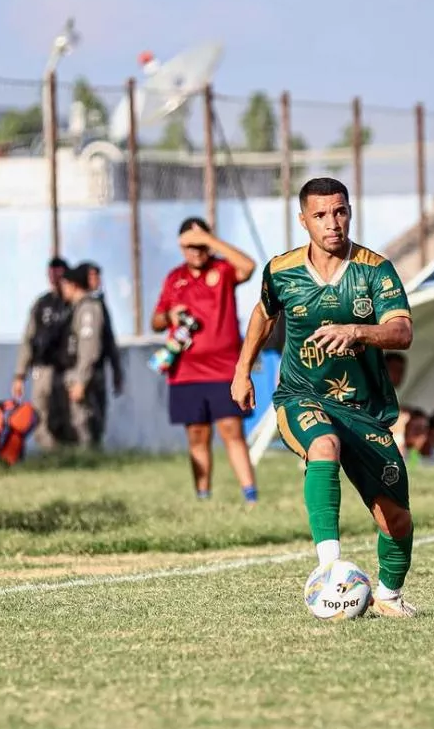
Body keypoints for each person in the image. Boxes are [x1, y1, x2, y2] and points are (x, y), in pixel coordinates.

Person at [231, 176, 417, 617]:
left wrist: (357, 330)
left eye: (340, 212)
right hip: (302, 395)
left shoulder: (375, 270)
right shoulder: (281, 270)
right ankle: (330, 570)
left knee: (397, 519)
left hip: (364, 410)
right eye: (320, 215)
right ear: (303, 220)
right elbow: (263, 312)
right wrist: (242, 371)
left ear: (349, 212)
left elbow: (402, 331)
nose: (332, 223)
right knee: (323, 445)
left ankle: (388, 595)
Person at [152, 218, 258, 503]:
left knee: (231, 430)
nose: (197, 251)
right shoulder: (174, 278)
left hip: (224, 369)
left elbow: (249, 267)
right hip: (186, 372)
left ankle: (251, 497)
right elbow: (156, 320)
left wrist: (211, 240)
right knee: (197, 435)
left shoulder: (223, 269)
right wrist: (171, 316)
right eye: (191, 245)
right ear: (182, 247)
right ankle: (203, 497)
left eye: (202, 245)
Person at [13, 257, 74, 449]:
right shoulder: (42, 304)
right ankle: (50, 455)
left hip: (68, 370)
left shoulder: (76, 304)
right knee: (41, 416)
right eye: (52, 274)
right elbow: (29, 339)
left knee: (68, 416)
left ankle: (70, 455)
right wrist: (20, 374)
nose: (55, 279)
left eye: (59, 274)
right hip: (43, 370)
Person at [60, 264, 106, 448]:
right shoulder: (75, 308)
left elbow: (89, 348)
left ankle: (90, 462)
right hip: (75, 372)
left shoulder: (88, 309)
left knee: (85, 423)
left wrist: (81, 380)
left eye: (65, 284)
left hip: (84, 375)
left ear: (74, 285)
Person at [84, 261, 124, 399]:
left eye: (97, 276)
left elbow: (108, 339)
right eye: (92, 276)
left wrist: (116, 371)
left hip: (97, 370)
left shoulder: (99, 306)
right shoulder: (75, 306)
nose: (96, 280)